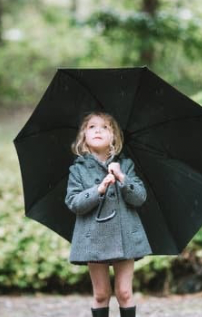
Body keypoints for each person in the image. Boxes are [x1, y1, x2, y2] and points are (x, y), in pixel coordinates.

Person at [65, 112, 152, 317]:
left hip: (124, 235)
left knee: (124, 292)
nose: (98, 130)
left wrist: (122, 177)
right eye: (92, 127)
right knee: (101, 294)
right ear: (83, 136)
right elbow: (74, 202)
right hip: (93, 236)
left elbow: (140, 198)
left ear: (114, 137)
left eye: (105, 127)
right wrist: (98, 190)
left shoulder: (126, 165)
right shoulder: (77, 170)